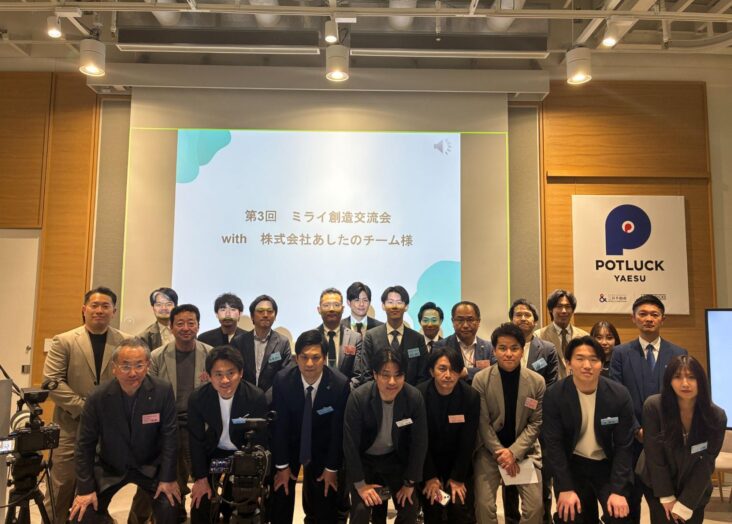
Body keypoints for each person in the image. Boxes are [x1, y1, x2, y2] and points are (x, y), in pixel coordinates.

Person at [69, 338, 180, 524]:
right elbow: (84, 445)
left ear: (148, 365)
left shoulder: (163, 391)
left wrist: (167, 479)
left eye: (139, 365)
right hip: (109, 466)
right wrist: (85, 490)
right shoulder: (97, 397)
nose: (133, 373)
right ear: (114, 368)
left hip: (150, 466)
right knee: (83, 513)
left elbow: (170, 438)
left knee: (169, 505)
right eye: (126, 366)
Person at [42, 287, 128, 523]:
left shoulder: (125, 342)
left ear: (114, 311)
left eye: (105, 306)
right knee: (62, 486)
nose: (99, 310)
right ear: (84, 309)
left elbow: (132, 379)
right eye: (94, 305)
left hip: (109, 429)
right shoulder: (64, 340)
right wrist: (86, 409)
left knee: (98, 487)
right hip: (70, 426)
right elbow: (52, 382)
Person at [609, 294, 687, 522]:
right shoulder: (620, 353)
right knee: (630, 504)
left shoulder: (678, 353)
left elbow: (682, 396)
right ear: (633, 318)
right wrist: (636, 429)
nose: (648, 319)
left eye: (654, 314)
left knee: (663, 504)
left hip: (666, 441)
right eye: (642, 314)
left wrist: (660, 432)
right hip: (631, 441)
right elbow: (617, 396)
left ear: (663, 318)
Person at [132, 304, 212, 521]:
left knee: (200, 474)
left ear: (198, 325)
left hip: (199, 425)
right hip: (166, 425)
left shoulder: (210, 354)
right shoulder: (157, 356)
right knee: (160, 476)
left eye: (191, 323)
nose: (186, 328)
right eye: (180, 323)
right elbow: (148, 393)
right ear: (171, 327)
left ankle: (191, 511)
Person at [543, 336, 636, 524]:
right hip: (573, 464)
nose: (587, 365)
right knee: (569, 516)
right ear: (568, 363)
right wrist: (565, 488)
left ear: (602, 364)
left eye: (594, 359)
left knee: (620, 516)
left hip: (607, 465)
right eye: (580, 359)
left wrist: (618, 491)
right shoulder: (555, 395)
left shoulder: (619, 395)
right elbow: (553, 445)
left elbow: (624, 446)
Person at [271, 329, 351, 523]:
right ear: (296, 358)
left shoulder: (340, 384)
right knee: (280, 495)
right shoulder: (282, 380)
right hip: (290, 444)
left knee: (325, 501)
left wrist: (331, 468)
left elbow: (337, 432)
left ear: (325, 358)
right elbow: (280, 427)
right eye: (304, 357)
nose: (309, 364)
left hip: (323, 447)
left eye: (316, 358)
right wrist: (282, 466)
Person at [344, 348, 428, 524]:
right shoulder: (359, 398)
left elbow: (419, 443)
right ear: (375, 375)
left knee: (410, 507)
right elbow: (350, 446)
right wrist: (360, 485)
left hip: (395, 460)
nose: (392, 382)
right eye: (385, 375)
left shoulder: (414, 398)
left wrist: (409, 483)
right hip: (365, 461)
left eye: (398, 375)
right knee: (360, 511)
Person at [640, 355, 727, 524]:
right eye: (678, 377)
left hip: (695, 485)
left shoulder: (716, 416)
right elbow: (654, 455)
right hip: (657, 482)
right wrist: (666, 496)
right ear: (669, 381)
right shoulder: (654, 406)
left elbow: (707, 461)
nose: (685, 383)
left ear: (701, 381)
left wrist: (686, 502)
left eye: (691, 377)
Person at [187, 345, 269, 523]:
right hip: (213, 452)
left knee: (240, 504)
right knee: (200, 504)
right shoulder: (198, 398)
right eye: (218, 374)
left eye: (231, 373)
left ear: (241, 373)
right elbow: (196, 441)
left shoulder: (255, 397)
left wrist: (258, 481)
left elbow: (261, 441)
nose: (225, 380)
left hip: (243, 454)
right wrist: (200, 479)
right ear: (209, 376)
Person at [473, 323, 545, 524]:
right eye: (502, 348)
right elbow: (482, 423)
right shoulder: (481, 379)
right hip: (489, 452)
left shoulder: (537, 382)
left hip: (524, 451)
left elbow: (536, 423)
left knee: (535, 508)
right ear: (494, 351)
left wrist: (513, 453)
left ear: (522, 351)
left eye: (514, 348)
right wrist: (502, 453)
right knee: (484, 506)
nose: (508, 354)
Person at [417, 345, 479, 523]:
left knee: (459, 506)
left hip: (459, 464)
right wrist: (430, 477)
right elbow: (420, 440)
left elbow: (468, 441)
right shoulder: (419, 395)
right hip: (428, 462)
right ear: (431, 371)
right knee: (433, 504)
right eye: (442, 369)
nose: (448, 375)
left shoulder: (470, 396)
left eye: (454, 370)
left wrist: (457, 478)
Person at [355, 285, 429, 386]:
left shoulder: (417, 339)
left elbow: (423, 374)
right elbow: (366, 372)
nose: (395, 306)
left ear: (406, 306)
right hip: (378, 393)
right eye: (390, 302)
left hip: (411, 394)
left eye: (399, 302)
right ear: (383, 306)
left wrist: (412, 393)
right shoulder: (371, 336)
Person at [230, 294, 292, 402]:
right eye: (260, 311)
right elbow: (234, 372)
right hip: (243, 400)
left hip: (272, 402)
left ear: (275, 316)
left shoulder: (283, 342)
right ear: (252, 316)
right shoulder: (238, 342)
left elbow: (284, 375)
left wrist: (264, 399)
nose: (265, 315)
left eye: (270, 311)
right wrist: (249, 396)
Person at [433, 301, 493, 384]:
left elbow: (493, 371)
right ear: (453, 321)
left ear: (478, 322)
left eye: (470, 320)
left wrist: (467, 372)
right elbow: (438, 374)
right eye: (460, 320)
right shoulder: (440, 346)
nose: (465, 325)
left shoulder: (489, 347)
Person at [534, 289, 589, 379]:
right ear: (551, 309)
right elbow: (535, 366)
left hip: (577, 383)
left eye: (568, 307)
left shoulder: (584, 336)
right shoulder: (539, 335)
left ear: (573, 310)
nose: (564, 311)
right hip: (550, 384)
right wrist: (548, 359)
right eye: (559, 306)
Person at [315, 287, 363, 383]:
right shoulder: (312, 336)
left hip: (347, 390)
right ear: (319, 309)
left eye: (336, 305)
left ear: (342, 309)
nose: (331, 309)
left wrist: (345, 391)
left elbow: (358, 375)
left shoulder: (355, 338)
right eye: (326, 305)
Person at [137, 287, 178, 351]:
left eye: (169, 304)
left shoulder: (186, 331)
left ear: (176, 306)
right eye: (159, 304)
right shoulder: (143, 337)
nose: (164, 308)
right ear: (153, 308)